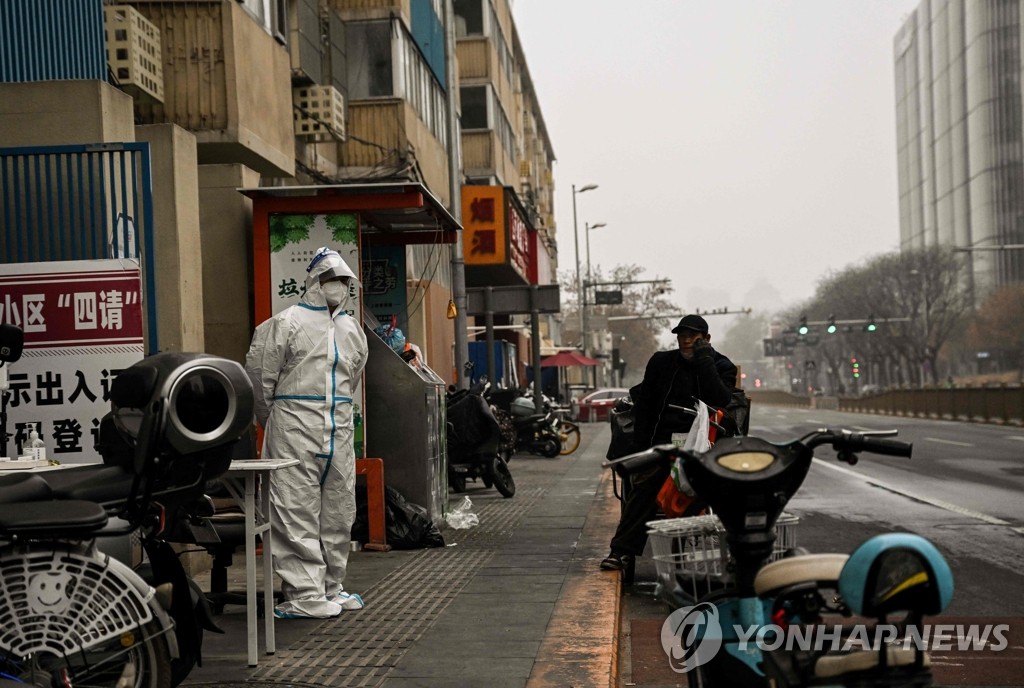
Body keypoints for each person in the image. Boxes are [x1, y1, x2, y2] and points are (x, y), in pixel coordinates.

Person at [245, 247, 369, 619]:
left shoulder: (351, 330)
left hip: (339, 429)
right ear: (314, 282)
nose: (339, 287)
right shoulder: (284, 324)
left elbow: (353, 377)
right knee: (293, 509)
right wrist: (277, 419)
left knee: (338, 511)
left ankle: (332, 587)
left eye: (344, 281)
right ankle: (304, 593)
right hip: (294, 426)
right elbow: (258, 379)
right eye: (332, 279)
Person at [600, 314, 737, 572]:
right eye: (681, 336)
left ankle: (735, 555)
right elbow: (646, 407)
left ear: (706, 339)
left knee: (726, 493)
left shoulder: (721, 365)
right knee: (645, 489)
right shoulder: (662, 362)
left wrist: (704, 359)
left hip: (704, 449)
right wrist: (641, 449)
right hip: (662, 445)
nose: (686, 341)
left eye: (692, 337)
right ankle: (622, 552)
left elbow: (719, 398)